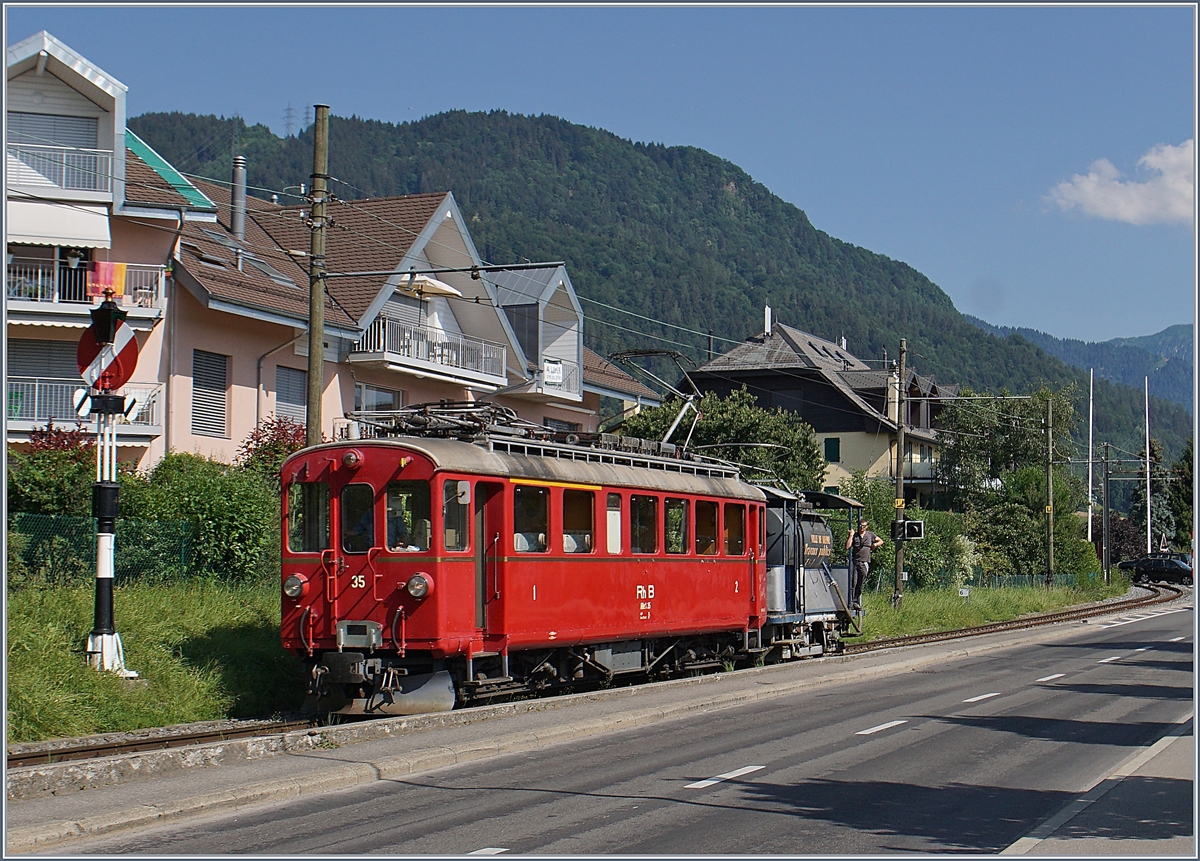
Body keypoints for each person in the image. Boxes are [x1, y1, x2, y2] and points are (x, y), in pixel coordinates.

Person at [845, 519, 883, 610]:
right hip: (855, 562)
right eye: (860, 526)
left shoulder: (870, 535)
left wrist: (875, 545)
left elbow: (881, 541)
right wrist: (851, 536)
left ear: (867, 526)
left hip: (864, 562)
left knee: (860, 583)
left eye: (864, 526)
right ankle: (851, 602)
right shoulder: (855, 535)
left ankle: (856, 601)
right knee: (853, 582)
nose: (862, 528)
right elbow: (847, 547)